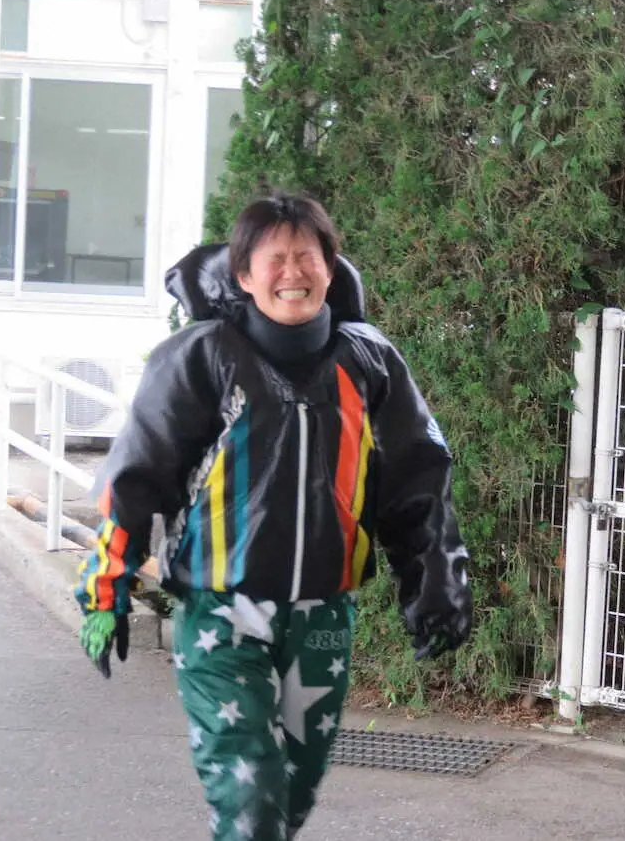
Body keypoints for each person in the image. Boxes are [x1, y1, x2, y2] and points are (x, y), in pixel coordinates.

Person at [73, 192, 473, 840]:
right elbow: (138, 474)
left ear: (331, 266)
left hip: (322, 615)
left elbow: (417, 479)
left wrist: (437, 584)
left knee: (289, 800)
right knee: (249, 796)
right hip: (220, 612)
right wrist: (105, 586)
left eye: (307, 256)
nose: (293, 272)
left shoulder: (370, 362)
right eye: (275, 259)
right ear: (243, 274)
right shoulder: (199, 357)